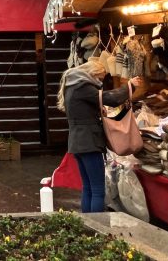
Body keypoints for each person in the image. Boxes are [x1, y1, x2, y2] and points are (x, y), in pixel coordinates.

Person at [57, 60, 141, 213]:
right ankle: (97, 227)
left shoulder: (72, 87)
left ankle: (88, 225)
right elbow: (111, 98)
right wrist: (130, 85)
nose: (100, 82)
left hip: (77, 142)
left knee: (88, 187)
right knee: (97, 190)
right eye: (100, 78)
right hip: (89, 142)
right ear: (92, 73)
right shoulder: (83, 87)